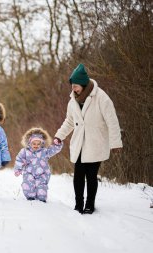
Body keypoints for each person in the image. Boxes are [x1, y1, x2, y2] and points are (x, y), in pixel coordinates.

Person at [54, 63, 123, 214]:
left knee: (91, 176)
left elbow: (112, 120)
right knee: (78, 175)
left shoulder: (101, 97)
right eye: (72, 86)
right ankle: (78, 204)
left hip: (95, 143)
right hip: (79, 143)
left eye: (76, 86)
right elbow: (70, 121)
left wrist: (115, 142)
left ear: (84, 85)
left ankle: (90, 204)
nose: (73, 89)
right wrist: (59, 136)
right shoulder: (73, 100)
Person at [14, 127, 63, 202]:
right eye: (34, 143)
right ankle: (30, 197)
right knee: (28, 183)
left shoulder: (45, 151)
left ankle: (41, 198)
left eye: (38, 144)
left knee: (41, 185)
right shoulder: (25, 151)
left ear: (42, 143)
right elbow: (19, 159)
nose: (36, 145)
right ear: (29, 142)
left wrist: (57, 144)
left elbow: (54, 150)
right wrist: (18, 169)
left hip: (42, 173)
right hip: (29, 172)